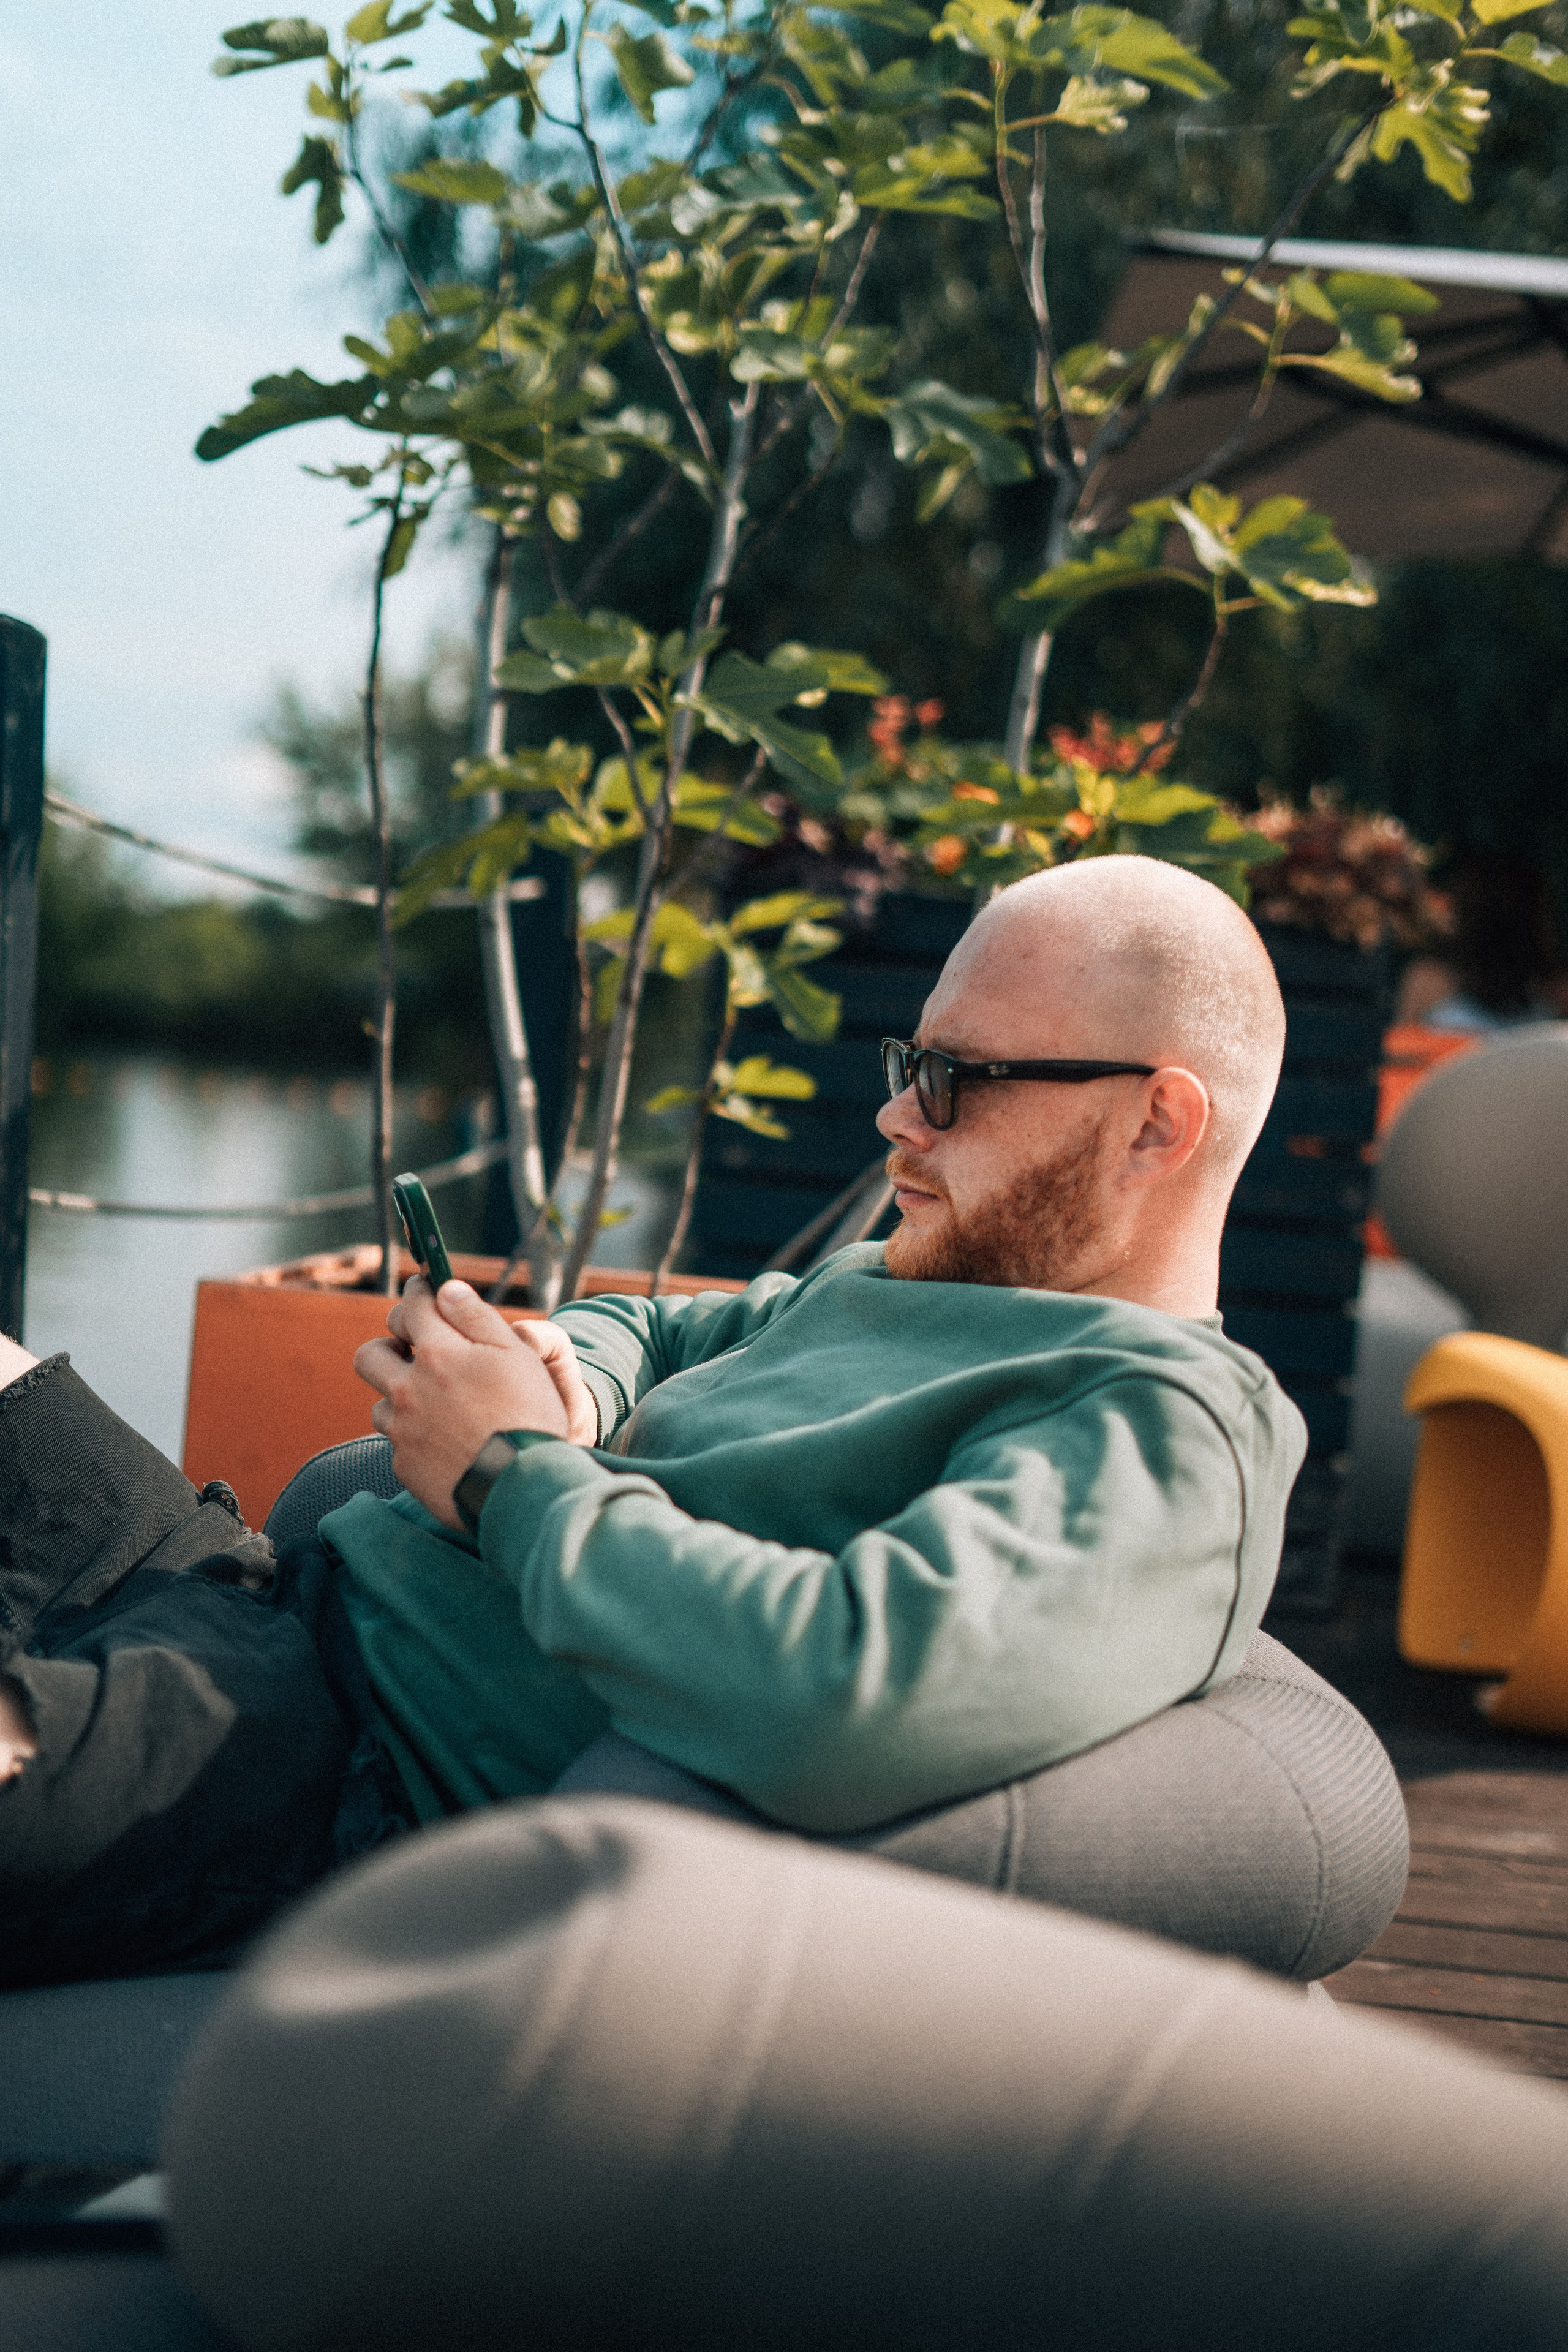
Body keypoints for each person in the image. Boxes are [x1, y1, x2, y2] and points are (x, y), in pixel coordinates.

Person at [0, 856, 1303, 1986]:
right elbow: (669, 1328)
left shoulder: (1158, 1426)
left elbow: (848, 1689)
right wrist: (564, 1368)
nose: (896, 1115)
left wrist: (509, 1476)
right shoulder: (903, 1279)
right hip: (266, 1600)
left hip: (329, 1761)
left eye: (960, 1077)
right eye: (912, 1063)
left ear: (1155, 1123)